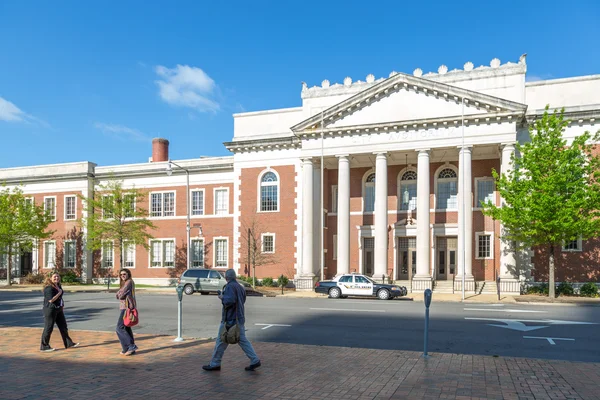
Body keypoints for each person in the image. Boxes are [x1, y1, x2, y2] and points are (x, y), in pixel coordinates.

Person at [203, 269, 261, 371]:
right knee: (242, 340)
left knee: (221, 341)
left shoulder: (229, 286)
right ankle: (254, 359)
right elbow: (242, 301)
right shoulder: (240, 287)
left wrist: (222, 297)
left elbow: (229, 301)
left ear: (226, 278)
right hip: (240, 317)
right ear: (235, 277)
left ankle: (215, 363)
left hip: (230, 319)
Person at [40, 273, 79, 352]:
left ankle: (68, 343)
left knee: (63, 326)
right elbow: (51, 300)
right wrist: (59, 293)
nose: (56, 278)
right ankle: (44, 346)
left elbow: (60, 298)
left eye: (58, 276)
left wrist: (62, 305)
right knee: (48, 328)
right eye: (54, 277)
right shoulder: (48, 288)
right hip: (50, 310)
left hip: (58, 309)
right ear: (50, 278)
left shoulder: (58, 286)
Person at [116, 268, 138, 356]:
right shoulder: (127, 283)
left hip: (126, 308)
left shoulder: (129, 282)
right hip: (126, 307)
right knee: (126, 327)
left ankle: (131, 346)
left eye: (124, 274)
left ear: (128, 274)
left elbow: (120, 295)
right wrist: (119, 293)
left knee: (119, 328)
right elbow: (120, 294)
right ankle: (126, 348)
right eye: (121, 275)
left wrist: (119, 293)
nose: (122, 276)